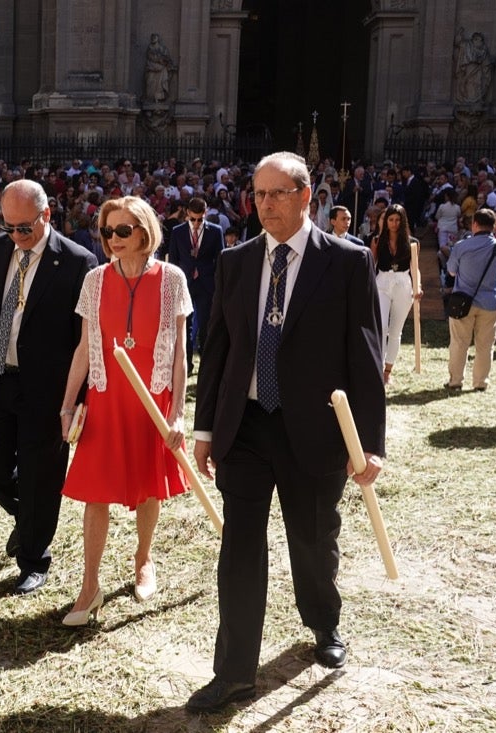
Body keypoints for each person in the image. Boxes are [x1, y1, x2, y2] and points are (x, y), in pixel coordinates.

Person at [187, 152, 385, 713]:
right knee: (240, 549)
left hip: (315, 432)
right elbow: (220, 351)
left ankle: (323, 625)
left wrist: (367, 442)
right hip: (247, 428)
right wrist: (206, 430)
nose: (265, 204)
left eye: (278, 193)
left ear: (306, 196)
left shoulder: (346, 262)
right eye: (259, 194)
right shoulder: (236, 261)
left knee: (313, 539)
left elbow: (364, 353)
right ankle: (234, 673)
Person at [0, 179, 97, 596]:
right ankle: (28, 517)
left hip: (47, 390)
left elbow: (83, 339)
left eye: (24, 228)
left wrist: (77, 400)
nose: (16, 236)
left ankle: (35, 558)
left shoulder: (77, 263)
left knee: (42, 473)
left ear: (46, 215)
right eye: (9, 226)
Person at [58, 196, 191, 626]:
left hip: (153, 399)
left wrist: (179, 414)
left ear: (145, 232)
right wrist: (67, 403)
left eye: (123, 231)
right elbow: (81, 348)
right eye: (107, 231)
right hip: (105, 397)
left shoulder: (172, 279)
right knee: (95, 491)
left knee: (148, 487)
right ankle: (89, 584)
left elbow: (181, 355)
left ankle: (144, 559)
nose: (113, 239)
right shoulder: (94, 281)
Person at [445, 208, 496, 392]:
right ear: (494, 226)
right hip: (490, 302)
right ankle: (481, 382)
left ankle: (455, 381)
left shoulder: (462, 246)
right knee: (486, 345)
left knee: (459, 342)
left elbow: (451, 271)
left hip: (463, 302)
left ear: (475, 224)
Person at [168, 197, 223, 372]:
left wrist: (216, 281)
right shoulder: (177, 232)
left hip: (206, 284)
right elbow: (173, 259)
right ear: (187, 215)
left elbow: (220, 258)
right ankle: (187, 364)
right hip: (185, 283)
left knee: (206, 325)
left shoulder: (215, 231)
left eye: (200, 219)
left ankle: (206, 365)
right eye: (193, 219)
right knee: (185, 324)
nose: (197, 223)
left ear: (205, 214)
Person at [371, 204, 422, 385]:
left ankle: (387, 370)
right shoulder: (377, 240)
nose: (394, 224)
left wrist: (418, 287)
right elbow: (371, 265)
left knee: (395, 330)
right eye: (391, 220)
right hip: (382, 283)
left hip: (403, 284)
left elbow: (415, 268)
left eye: (397, 220)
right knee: (381, 326)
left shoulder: (412, 242)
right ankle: (377, 366)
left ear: (402, 221)